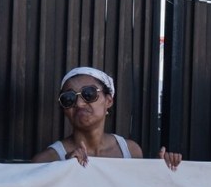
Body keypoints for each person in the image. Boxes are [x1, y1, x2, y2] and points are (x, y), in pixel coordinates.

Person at [34, 66, 181, 168]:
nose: (79, 103)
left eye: (89, 94)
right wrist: (61, 170)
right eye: (69, 98)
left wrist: (161, 170)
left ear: (109, 101)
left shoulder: (130, 151)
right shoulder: (47, 160)